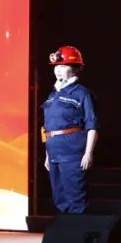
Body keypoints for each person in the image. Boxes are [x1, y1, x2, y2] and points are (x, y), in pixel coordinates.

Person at [41, 45, 99, 214]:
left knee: (76, 198)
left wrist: (88, 153)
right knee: (59, 198)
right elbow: (48, 127)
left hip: (72, 153)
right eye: (56, 66)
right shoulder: (52, 95)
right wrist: (47, 155)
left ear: (75, 69)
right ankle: (65, 228)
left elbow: (92, 125)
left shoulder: (82, 93)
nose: (58, 70)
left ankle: (79, 229)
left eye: (64, 66)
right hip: (54, 153)